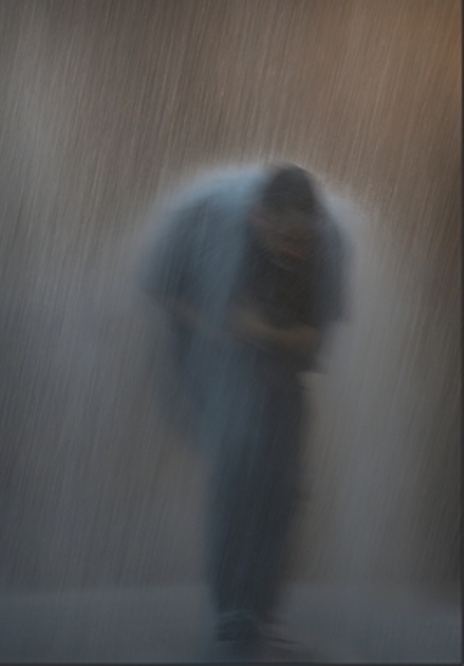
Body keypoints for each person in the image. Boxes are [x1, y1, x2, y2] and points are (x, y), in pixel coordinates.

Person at [142, 164, 347, 657]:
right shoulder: (206, 227)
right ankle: (233, 612)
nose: (295, 247)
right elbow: (162, 293)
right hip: (201, 359)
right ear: (257, 217)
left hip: (278, 365)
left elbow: (313, 337)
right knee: (241, 466)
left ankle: (262, 612)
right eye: (284, 236)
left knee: (285, 486)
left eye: (302, 237)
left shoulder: (327, 245)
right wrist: (216, 325)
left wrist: (257, 330)